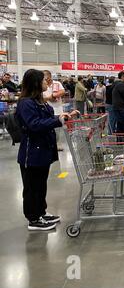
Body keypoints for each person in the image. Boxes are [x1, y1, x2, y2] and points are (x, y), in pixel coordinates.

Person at [16, 69, 78, 231]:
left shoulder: (40, 101)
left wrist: (64, 116)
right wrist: (57, 121)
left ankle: (40, 213)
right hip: (32, 153)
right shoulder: (26, 103)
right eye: (44, 81)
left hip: (43, 150)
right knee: (32, 186)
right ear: (36, 83)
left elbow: (48, 118)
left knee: (41, 184)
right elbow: (34, 125)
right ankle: (33, 219)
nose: (47, 83)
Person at [42, 70, 66, 151]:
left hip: (58, 109)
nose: (46, 80)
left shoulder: (57, 83)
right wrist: (50, 98)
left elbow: (63, 91)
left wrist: (55, 95)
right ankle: (48, 144)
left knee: (57, 129)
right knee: (47, 128)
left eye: (46, 78)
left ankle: (55, 144)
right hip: (46, 110)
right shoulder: (42, 85)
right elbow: (40, 98)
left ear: (50, 77)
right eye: (44, 79)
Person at [112, 71, 124, 136]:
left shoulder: (118, 84)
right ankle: (121, 137)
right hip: (120, 108)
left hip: (119, 107)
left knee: (120, 124)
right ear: (122, 77)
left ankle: (120, 141)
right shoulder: (121, 84)